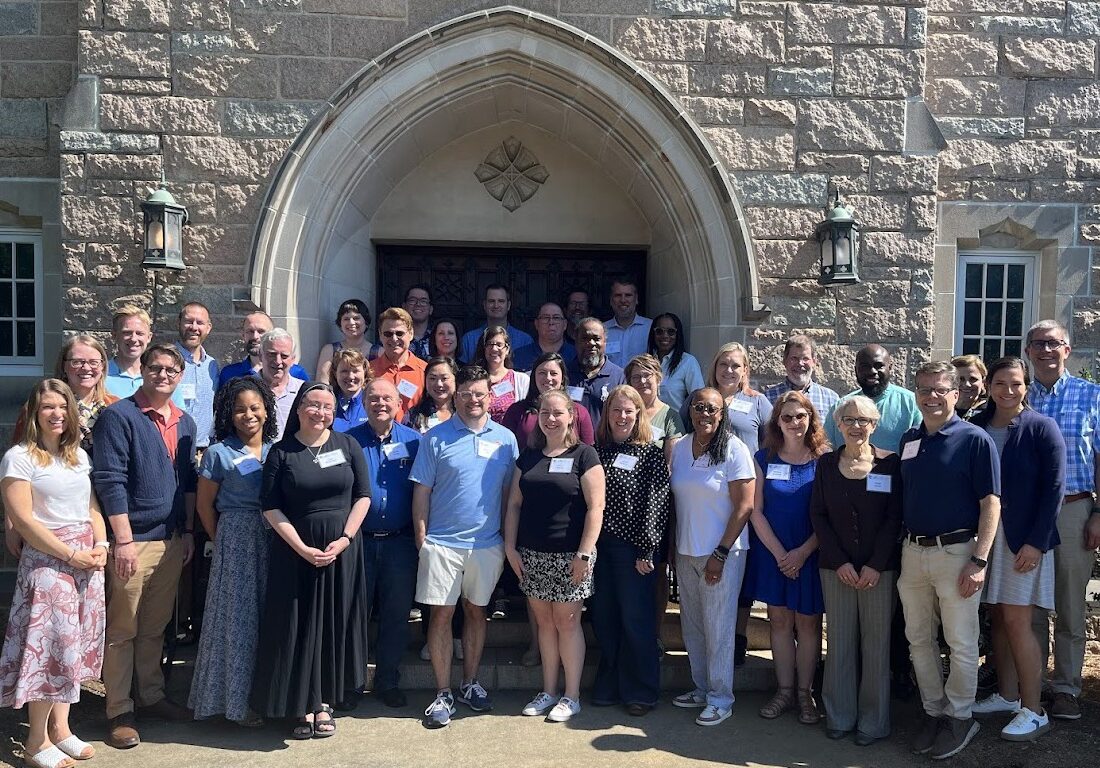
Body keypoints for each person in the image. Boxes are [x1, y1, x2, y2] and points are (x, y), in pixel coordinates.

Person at [91, 343, 198, 749]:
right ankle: (119, 709)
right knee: (122, 630)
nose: (164, 375)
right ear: (144, 371)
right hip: (133, 541)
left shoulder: (184, 422)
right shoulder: (119, 417)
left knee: (153, 628)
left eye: (172, 370)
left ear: (180, 375)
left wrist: (187, 532)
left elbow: (187, 482)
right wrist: (122, 541)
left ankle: (151, 696)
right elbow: (110, 481)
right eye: (156, 368)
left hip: (170, 540)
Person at [250, 383, 371, 738]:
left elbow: (362, 496)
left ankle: (323, 703)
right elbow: (270, 506)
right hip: (295, 553)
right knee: (298, 625)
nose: (320, 412)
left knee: (333, 624)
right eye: (313, 405)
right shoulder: (281, 452)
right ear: (300, 409)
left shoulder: (348, 445)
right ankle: (300, 704)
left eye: (328, 406)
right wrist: (301, 547)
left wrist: (345, 539)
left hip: (341, 552)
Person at [0, 380, 107, 768]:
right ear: (34, 412)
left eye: (63, 406)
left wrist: (102, 546)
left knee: (72, 648)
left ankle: (61, 730)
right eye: (48, 407)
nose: (57, 413)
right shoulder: (19, 458)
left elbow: (92, 506)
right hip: (49, 561)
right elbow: (24, 520)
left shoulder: (77, 455)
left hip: (85, 558)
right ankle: (34, 741)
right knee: (48, 649)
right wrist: (72, 554)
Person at [898, 361, 1001, 760]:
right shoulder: (911, 439)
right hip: (912, 553)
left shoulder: (975, 440)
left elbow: (991, 502)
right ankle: (933, 711)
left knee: (960, 643)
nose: (932, 396)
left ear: (956, 395)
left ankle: (960, 716)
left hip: (957, 553)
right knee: (918, 639)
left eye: (941, 389)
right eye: (924, 389)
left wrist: (979, 559)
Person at [409, 366, 519, 728]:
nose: (474, 400)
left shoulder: (506, 439)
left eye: (480, 394)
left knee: (476, 612)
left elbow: (510, 495)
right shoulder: (435, 438)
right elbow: (421, 492)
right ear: (455, 396)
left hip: (487, 545)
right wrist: (422, 540)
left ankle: (470, 684)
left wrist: (507, 540)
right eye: (467, 394)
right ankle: (443, 693)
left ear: (491, 397)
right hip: (441, 544)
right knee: (440, 616)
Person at [969, 357, 1065, 741]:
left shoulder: (1042, 428)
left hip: (1022, 540)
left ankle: (1033, 709)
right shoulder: (976, 426)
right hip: (984, 538)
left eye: (1016, 384)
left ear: (1027, 386)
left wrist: (1036, 543)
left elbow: (1054, 489)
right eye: (1000, 384)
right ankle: (1008, 697)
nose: (1008, 391)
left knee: (1018, 622)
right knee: (998, 618)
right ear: (988, 385)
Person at [504, 390, 605, 723]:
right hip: (532, 555)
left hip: (571, 556)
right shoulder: (529, 456)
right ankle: (548, 690)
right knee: (545, 624)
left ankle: (571, 695)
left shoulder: (584, 455)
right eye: (545, 412)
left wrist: (585, 552)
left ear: (571, 416)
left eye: (557, 412)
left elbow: (596, 507)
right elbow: (514, 505)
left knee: (567, 623)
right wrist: (510, 547)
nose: (550, 418)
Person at [811, 395, 903, 746]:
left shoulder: (889, 464)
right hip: (836, 569)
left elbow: (894, 517)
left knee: (876, 647)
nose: (856, 426)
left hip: (879, 572)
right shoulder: (826, 464)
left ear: (875, 425)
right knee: (839, 643)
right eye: (848, 419)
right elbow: (818, 514)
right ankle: (839, 715)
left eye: (864, 420)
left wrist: (875, 565)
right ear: (838, 424)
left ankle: (873, 723)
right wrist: (841, 562)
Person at [189, 377, 278, 727]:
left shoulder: (277, 448)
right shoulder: (218, 453)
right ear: (230, 413)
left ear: (266, 410)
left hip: (275, 538)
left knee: (268, 619)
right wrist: (223, 539)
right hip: (237, 538)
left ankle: (269, 696)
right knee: (238, 623)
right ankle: (237, 703)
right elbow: (204, 506)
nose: (248, 415)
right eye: (240, 409)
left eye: (255, 408)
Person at [1024, 319, 1100, 722]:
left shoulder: (1092, 396)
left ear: (1067, 350)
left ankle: (1067, 687)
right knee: (1032, 604)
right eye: (1038, 344)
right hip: (1030, 513)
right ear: (1028, 352)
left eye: (1053, 343)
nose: (1046, 350)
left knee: (1070, 605)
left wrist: (1099, 513)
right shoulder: (1019, 400)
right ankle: (1033, 686)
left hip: (1074, 508)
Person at [669, 387, 755, 727]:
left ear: (722, 415)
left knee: (718, 628)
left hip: (722, 552)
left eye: (713, 409)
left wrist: (720, 552)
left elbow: (745, 506)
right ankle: (703, 688)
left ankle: (721, 698)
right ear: (691, 410)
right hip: (686, 550)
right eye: (699, 407)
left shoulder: (734, 449)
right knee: (693, 626)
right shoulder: (679, 448)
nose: (705, 413)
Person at [745, 391, 826, 725]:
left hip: (811, 553)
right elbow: (755, 511)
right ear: (776, 421)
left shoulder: (825, 458)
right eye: (787, 417)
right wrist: (782, 555)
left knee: (808, 623)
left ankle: (806, 694)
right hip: (774, 554)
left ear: (810, 419)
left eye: (800, 416)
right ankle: (784, 690)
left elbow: (830, 516)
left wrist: (802, 553)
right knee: (779, 621)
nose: (794, 422)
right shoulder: (763, 458)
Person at [590, 385, 671, 715]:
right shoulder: (598, 451)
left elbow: (657, 503)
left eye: (628, 411)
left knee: (636, 620)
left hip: (633, 551)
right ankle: (610, 683)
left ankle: (641, 689)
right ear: (607, 415)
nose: (622, 416)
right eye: (615, 410)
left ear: (639, 414)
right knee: (604, 618)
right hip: (600, 550)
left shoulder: (650, 453)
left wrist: (647, 550)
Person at [7, 336, 119, 558]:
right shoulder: (38, 408)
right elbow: (16, 473)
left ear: (103, 366)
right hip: (51, 514)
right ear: (64, 366)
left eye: (93, 362)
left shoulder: (115, 406)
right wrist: (12, 523)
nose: (85, 368)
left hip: (106, 507)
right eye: (77, 361)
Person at [347, 379, 421, 709]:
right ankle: (351, 683)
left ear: (399, 404)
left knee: (395, 614)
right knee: (355, 615)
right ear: (364, 402)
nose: (380, 403)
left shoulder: (415, 442)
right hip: (357, 543)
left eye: (387, 398)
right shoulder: (347, 441)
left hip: (400, 544)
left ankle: (388, 681)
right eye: (373, 398)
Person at [705, 342, 772, 665]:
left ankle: (738, 636)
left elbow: (770, 446)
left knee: (740, 569)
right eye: (723, 365)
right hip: (708, 496)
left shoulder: (757, 403)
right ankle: (710, 636)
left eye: (735, 365)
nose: (728, 371)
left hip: (745, 496)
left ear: (745, 370)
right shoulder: (704, 400)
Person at [825, 345, 921, 451]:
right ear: (856, 370)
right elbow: (825, 448)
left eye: (879, 366)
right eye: (865, 366)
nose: (872, 371)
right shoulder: (841, 407)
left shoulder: (911, 404)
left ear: (890, 367)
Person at [502, 352, 595, 448]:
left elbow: (588, 453)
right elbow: (506, 450)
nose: (548, 378)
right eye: (542, 373)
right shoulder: (516, 411)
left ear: (562, 378)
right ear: (534, 377)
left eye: (553, 373)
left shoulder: (579, 412)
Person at [217, 311, 309, 388]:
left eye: (261, 331)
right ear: (243, 335)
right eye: (250, 331)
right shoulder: (230, 374)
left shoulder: (296, 373)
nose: (255, 336)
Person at [171, 301, 219, 450]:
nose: (194, 327)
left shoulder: (212, 366)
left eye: (200, 323)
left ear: (208, 328)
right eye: (189, 321)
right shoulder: (166, 361)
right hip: (172, 446)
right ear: (179, 323)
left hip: (205, 449)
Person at [370, 307, 427, 423]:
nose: (394, 338)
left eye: (400, 333)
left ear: (411, 334)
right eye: (388, 334)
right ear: (380, 335)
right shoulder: (368, 370)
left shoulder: (426, 371)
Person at [764, 334, 840, 418]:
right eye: (794, 358)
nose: (800, 363)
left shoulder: (831, 399)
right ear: (785, 361)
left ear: (814, 361)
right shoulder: (768, 398)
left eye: (805, 358)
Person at [625, 354, 684, 461]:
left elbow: (671, 463)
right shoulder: (623, 413)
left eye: (647, 375)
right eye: (636, 377)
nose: (642, 381)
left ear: (658, 379)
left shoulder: (671, 417)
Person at [570, 318, 626, 427]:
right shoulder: (564, 374)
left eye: (596, 339)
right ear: (575, 341)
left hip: (606, 443)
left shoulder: (620, 377)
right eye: (585, 338)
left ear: (605, 341)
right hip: (570, 443)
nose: (591, 343)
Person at [459, 285, 534, 363]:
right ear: (484, 305)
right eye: (491, 301)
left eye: (501, 301)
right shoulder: (469, 340)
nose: (496, 305)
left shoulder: (525, 340)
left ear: (508, 305)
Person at [648, 312, 704, 413]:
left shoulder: (688, 362)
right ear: (653, 334)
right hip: (647, 423)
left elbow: (699, 398)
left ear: (677, 335)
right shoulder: (645, 361)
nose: (665, 336)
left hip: (676, 424)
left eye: (671, 332)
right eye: (659, 331)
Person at [474, 325, 530, 424]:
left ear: (507, 350)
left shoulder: (521, 380)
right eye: (490, 344)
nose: (494, 349)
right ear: (484, 349)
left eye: (499, 345)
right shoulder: (474, 380)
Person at [257, 328, 306, 440]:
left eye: (284, 356)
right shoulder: (243, 389)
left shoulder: (303, 391)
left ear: (293, 359)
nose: (278, 361)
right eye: (271, 354)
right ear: (260, 356)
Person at [316, 298, 375, 383]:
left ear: (366, 322)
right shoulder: (330, 351)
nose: (351, 322)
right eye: (346, 319)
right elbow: (322, 384)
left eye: (356, 318)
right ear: (340, 324)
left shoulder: (378, 352)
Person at [512, 302, 577, 371]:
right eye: (545, 317)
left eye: (556, 318)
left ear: (565, 324)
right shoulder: (520, 355)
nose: (551, 322)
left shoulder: (576, 355)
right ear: (536, 324)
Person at [105, 305, 152, 398]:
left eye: (139, 333)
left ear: (149, 337)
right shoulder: (100, 375)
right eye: (127, 333)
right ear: (114, 336)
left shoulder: (159, 377)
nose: (133, 339)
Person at [603, 279, 651, 368]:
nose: (623, 300)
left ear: (636, 299)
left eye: (628, 295)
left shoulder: (650, 328)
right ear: (610, 300)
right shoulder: (601, 330)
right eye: (618, 295)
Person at [406, 356, 457, 434]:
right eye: (433, 378)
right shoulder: (413, 415)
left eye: (444, 378)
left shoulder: (465, 411)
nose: (439, 384)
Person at [330, 347, 371, 433]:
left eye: (355, 371)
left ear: (365, 372)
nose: (350, 376)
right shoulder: (328, 403)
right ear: (335, 373)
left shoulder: (373, 402)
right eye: (344, 371)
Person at [403, 285, 435, 360]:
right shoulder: (394, 335)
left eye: (423, 301)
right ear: (404, 306)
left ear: (431, 309)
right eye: (412, 300)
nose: (418, 304)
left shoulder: (438, 336)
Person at [952, 354, 988, 421]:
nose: (967, 384)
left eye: (973, 379)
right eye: (960, 379)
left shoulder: (992, 412)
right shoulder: (940, 410)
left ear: (983, 382)